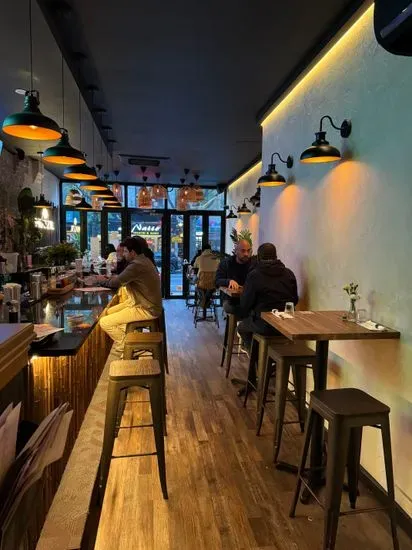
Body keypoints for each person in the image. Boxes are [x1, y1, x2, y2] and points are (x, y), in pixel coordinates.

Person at [99, 237, 162, 355]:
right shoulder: (144, 260)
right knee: (108, 312)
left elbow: (116, 283)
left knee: (104, 322)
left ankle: (128, 346)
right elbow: (121, 278)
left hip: (146, 308)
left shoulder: (137, 265)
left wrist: (99, 280)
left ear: (132, 252)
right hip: (144, 303)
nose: (123, 254)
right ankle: (131, 338)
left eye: (125, 251)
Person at [237, 243, 298, 351]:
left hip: (264, 325)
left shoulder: (254, 275)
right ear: (276, 256)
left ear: (259, 258)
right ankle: (269, 356)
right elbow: (294, 300)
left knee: (242, 327)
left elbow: (245, 304)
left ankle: (257, 359)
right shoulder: (289, 273)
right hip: (287, 324)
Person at [215, 239, 254, 314]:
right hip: (230, 299)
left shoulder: (253, 264)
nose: (246, 254)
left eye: (248, 251)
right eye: (243, 251)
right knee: (232, 307)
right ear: (236, 251)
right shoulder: (226, 263)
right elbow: (217, 281)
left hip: (248, 299)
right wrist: (229, 281)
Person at [194, 243, 220, 310]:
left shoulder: (199, 258)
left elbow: (195, 266)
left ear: (202, 250)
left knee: (197, 284)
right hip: (212, 285)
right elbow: (219, 269)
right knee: (211, 287)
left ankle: (203, 299)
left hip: (201, 284)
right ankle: (207, 299)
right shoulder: (216, 258)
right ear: (210, 249)